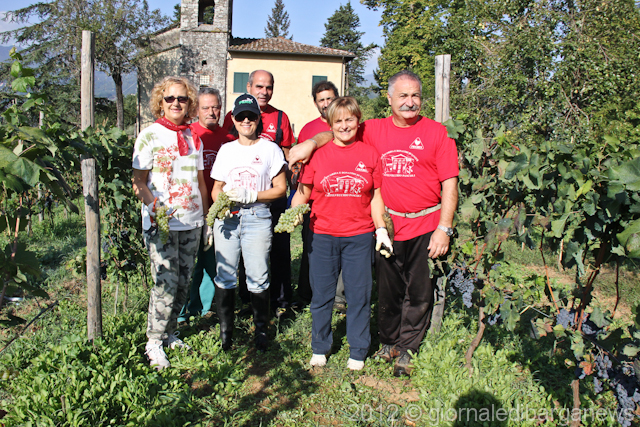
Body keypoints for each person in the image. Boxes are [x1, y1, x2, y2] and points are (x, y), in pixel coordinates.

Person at [288, 70, 459, 376]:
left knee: (418, 292)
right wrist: (311, 143)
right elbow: (338, 130)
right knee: (388, 291)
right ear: (389, 99)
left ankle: (407, 348)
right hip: (387, 225)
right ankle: (388, 342)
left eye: (415, 95)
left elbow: (450, 183)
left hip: (423, 225)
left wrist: (444, 228)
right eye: (403, 95)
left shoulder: (436, 133)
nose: (410, 102)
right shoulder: (373, 129)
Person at [291, 96, 386, 371]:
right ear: (330, 125)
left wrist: (381, 228)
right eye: (338, 121)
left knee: (359, 295)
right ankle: (320, 346)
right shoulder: (317, 155)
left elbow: (376, 197)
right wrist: (293, 214)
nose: (344, 126)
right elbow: (303, 193)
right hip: (323, 235)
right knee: (322, 295)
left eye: (349, 119)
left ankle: (358, 348)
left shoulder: (370, 154)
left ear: (358, 120)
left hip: (359, 236)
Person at [132, 76, 210, 370]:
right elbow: (139, 183)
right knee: (165, 283)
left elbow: (200, 182)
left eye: (182, 99)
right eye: (170, 98)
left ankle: (169, 333)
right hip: (161, 224)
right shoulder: (149, 136)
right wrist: (154, 208)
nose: (176, 103)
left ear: (189, 103)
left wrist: (206, 219)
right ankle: (153, 342)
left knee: (183, 282)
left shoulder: (194, 137)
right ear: (160, 102)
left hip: (191, 221)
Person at [211, 93, 287, 352]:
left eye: (251, 116)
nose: (246, 120)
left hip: (257, 217)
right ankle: (226, 333)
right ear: (233, 119)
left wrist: (252, 195)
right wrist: (221, 205)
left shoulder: (270, 149)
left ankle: (261, 331)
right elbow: (216, 188)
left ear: (258, 119)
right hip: (228, 219)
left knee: (258, 275)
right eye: (241, 116)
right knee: (225, 274)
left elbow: (280, 189)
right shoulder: (227, 150)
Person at [222, 70, 295, 317]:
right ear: (249, 87)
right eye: (259, 87)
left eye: (269, 87)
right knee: (247, 248)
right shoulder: (233, 116)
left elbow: (287, 155)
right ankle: (248, 300)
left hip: (273, 195)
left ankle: (281, 300)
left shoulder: (281, 117)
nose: (264, 92)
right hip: (244, 200)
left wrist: (286, 186)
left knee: (279, 249)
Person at [179, 87, 231, 320]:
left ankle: (204, 308)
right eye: (205, 107)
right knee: (187, 263)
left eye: (215, 107)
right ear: (196, 110)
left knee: (211, 260)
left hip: (219, 209)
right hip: (191, 208)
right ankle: (181, 311)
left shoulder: (228, 139)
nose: (211, 112)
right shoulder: (188, 135)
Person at [296, 80, 347, 312]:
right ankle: (307, 292)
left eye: (329, 98)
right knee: (312, 248)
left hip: (342, 197)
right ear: (315, 103)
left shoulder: (347, 124)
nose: (326, 104)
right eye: (321, 100)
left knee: (343, 249)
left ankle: (339, 297)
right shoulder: (307, 129)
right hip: (314, 200)